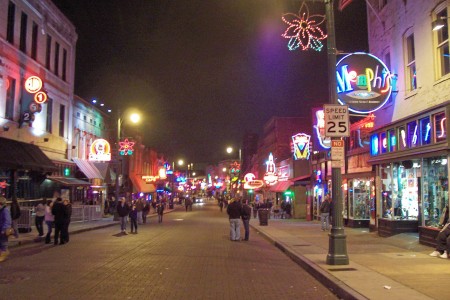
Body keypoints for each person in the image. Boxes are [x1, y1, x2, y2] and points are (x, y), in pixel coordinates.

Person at [0, 197, 12, 262]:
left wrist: (4, 229)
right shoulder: (2, 210)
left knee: (3, 242)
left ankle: (3, 254)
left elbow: (7, 221)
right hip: (1, 228)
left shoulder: (5, 210)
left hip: (3, 229)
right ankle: (3, 253)